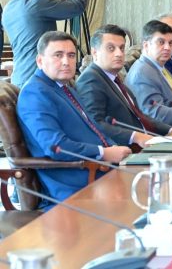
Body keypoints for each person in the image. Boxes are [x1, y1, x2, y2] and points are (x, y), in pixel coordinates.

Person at [17, 31, 131, 205]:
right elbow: (56, 147)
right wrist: (104, 153)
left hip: (103, 170)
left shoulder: (65, 87)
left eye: (71, 55)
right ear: (40, 61)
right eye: (58, 55)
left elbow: (94, 128)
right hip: (76, 181)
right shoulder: (35, 93)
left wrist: (113, 148)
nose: (66, 62)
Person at [2, 0, 92, 86]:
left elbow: (33, 24)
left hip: (19, 78)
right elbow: (78, 7)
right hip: (39, 78)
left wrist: (61, 6)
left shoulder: (8, 9)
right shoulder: (36, 3)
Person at [76, 25, 171, 141]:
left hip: (149, 141)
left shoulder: (114, 78)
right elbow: (95, 124)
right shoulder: (90, 80)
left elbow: (140, 116)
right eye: (111, 48)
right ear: (95, 52)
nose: (119, 54)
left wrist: (170, 130)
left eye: (121, 48)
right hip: (128, 148)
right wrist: (134, 137)